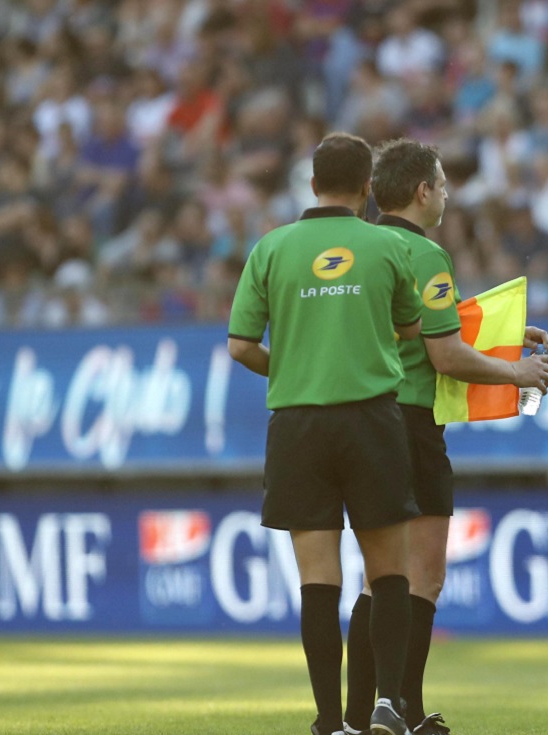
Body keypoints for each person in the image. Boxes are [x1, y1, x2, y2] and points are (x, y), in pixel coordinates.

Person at [341, 137, 548, 735]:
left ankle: (358, 716)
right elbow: (445, 355)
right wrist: (516, 372)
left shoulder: (360, 247)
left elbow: (425, 327)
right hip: (411, 423)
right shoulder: (426, 254)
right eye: (442, 184)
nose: (447, 195)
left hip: (362, 421)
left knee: (376, 576)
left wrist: (506, 338)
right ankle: (403, 709)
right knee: (423, 576)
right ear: (422, 191)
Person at [226, 131, 421, 735]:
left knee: (318, 580)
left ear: (311, 184)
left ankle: (330, 721)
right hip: (371, 420)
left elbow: (240, 345)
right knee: (388, 571)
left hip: (299, 425)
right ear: (368, 188)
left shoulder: (272, 248)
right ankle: (388, 702)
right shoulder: (387, 245)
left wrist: (291, 366)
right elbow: (411, 329)